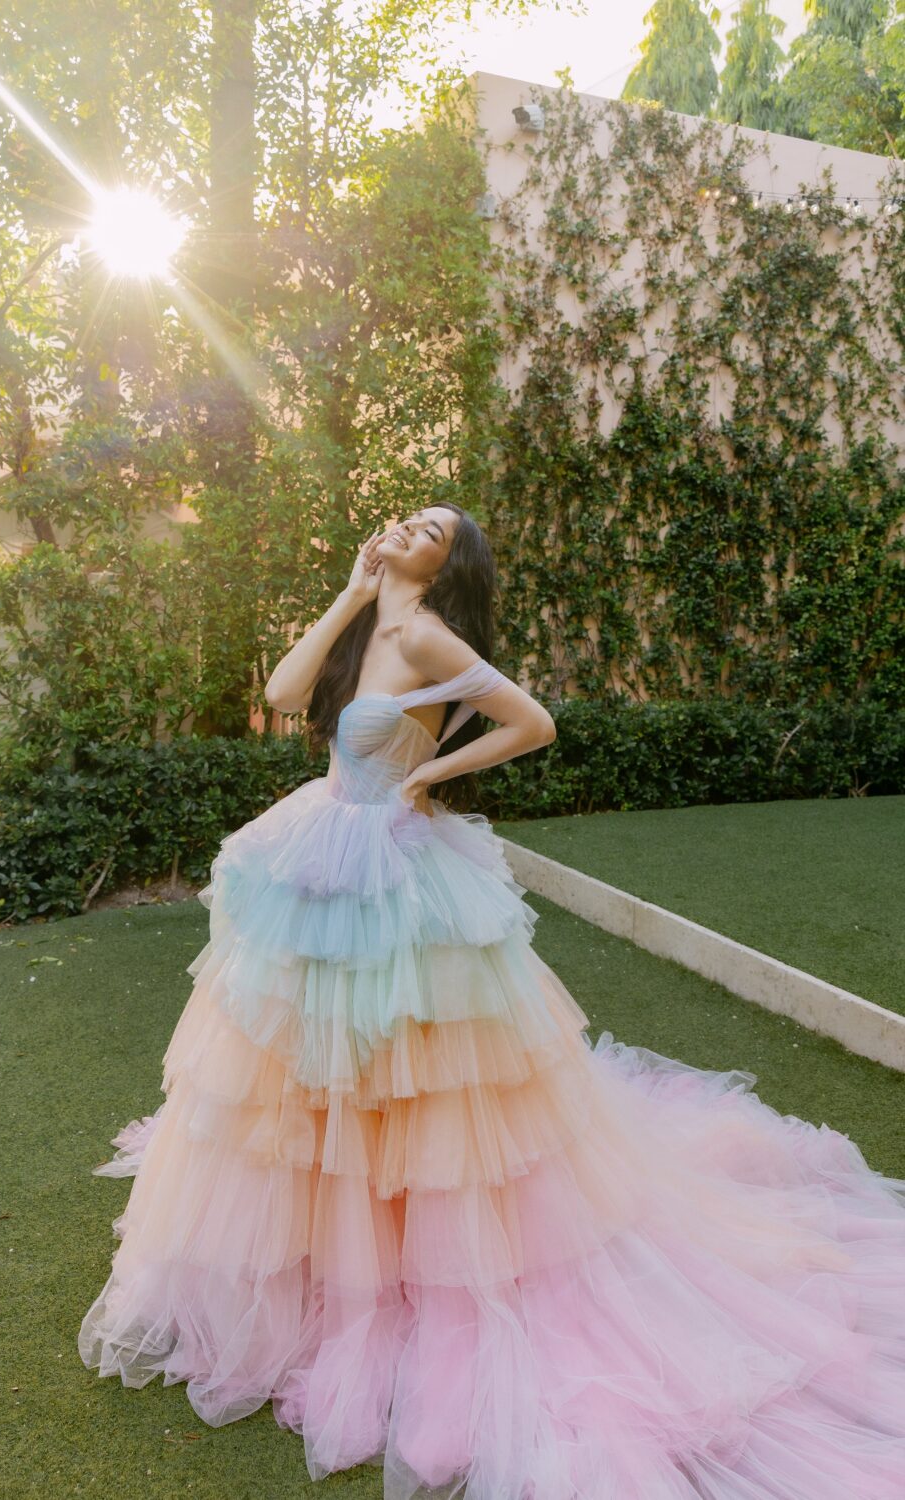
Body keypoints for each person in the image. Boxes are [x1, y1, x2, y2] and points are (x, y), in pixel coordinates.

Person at [79, 503, 905, 1500]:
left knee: (413, 1079)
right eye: (401, 514)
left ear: (446, 563)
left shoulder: (426, 632)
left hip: (391, 865)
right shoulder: (375, 621)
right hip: (321, 852)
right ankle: (335, 1244)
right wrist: (349, 591)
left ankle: (409, 1263)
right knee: (315, 1065)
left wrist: (429, 771)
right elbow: (284, 689)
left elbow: (532, 722)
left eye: (428, 525)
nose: (403, 522)